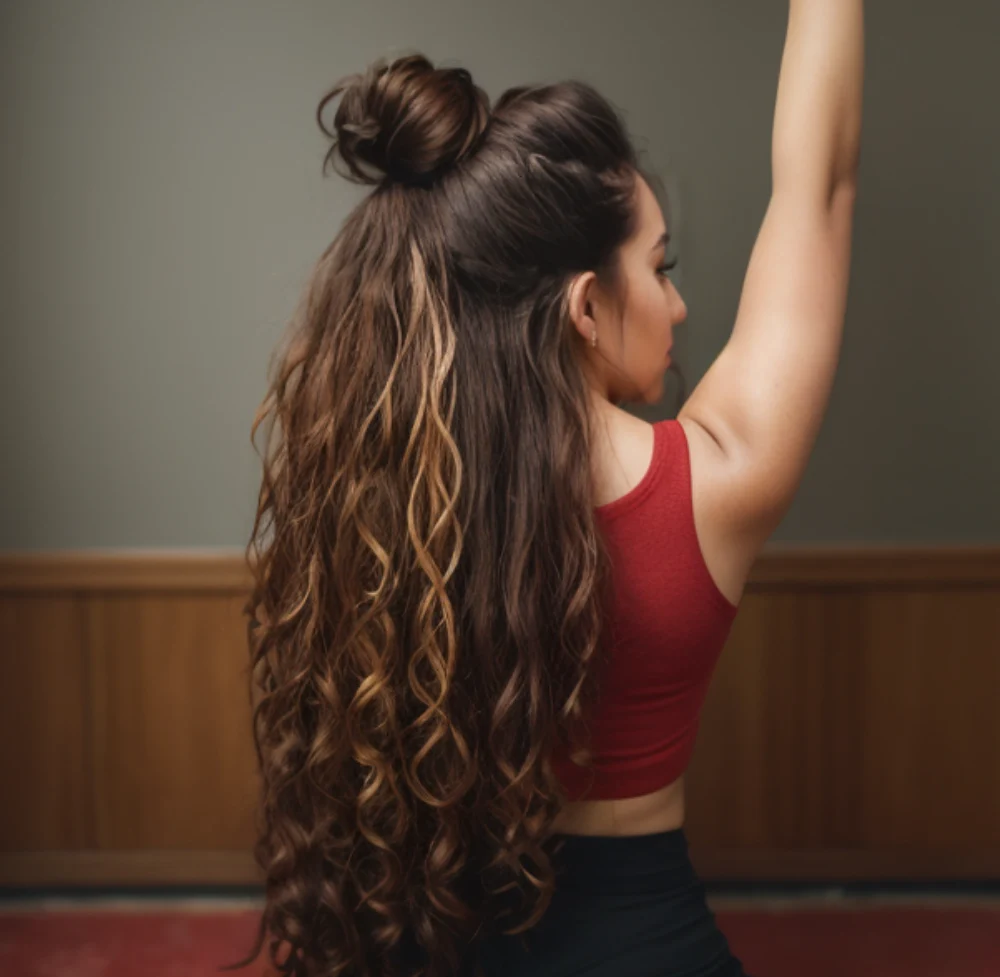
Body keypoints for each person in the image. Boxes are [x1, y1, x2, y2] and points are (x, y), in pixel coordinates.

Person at [228, 2, 864, 975]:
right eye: (661, 266)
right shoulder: (715, 479)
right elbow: (817, 186)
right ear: (582, 305)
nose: (679, 303)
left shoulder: (382, 499)